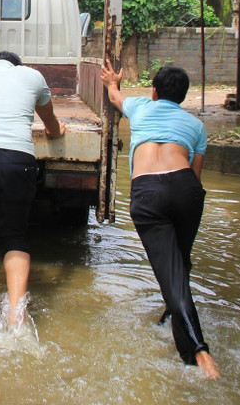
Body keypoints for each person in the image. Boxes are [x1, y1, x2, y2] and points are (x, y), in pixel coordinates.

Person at [99, 60, 221, 380]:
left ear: (153, 92)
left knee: (173, 274)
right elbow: (196, 176)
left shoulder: (140, 107)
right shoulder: (196, 127)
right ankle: (173, 318)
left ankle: (200, 352)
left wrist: (113, 82)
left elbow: (114, 97)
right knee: (180, 265)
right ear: (184, 96)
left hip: (148, 194)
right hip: (186, 190)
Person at [0, 50, 65, 328]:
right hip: (19, 160)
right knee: (15, 236)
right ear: (19, 65)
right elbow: (49, 119)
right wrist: (56, 131)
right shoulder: (34, 77)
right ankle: (16, 315)